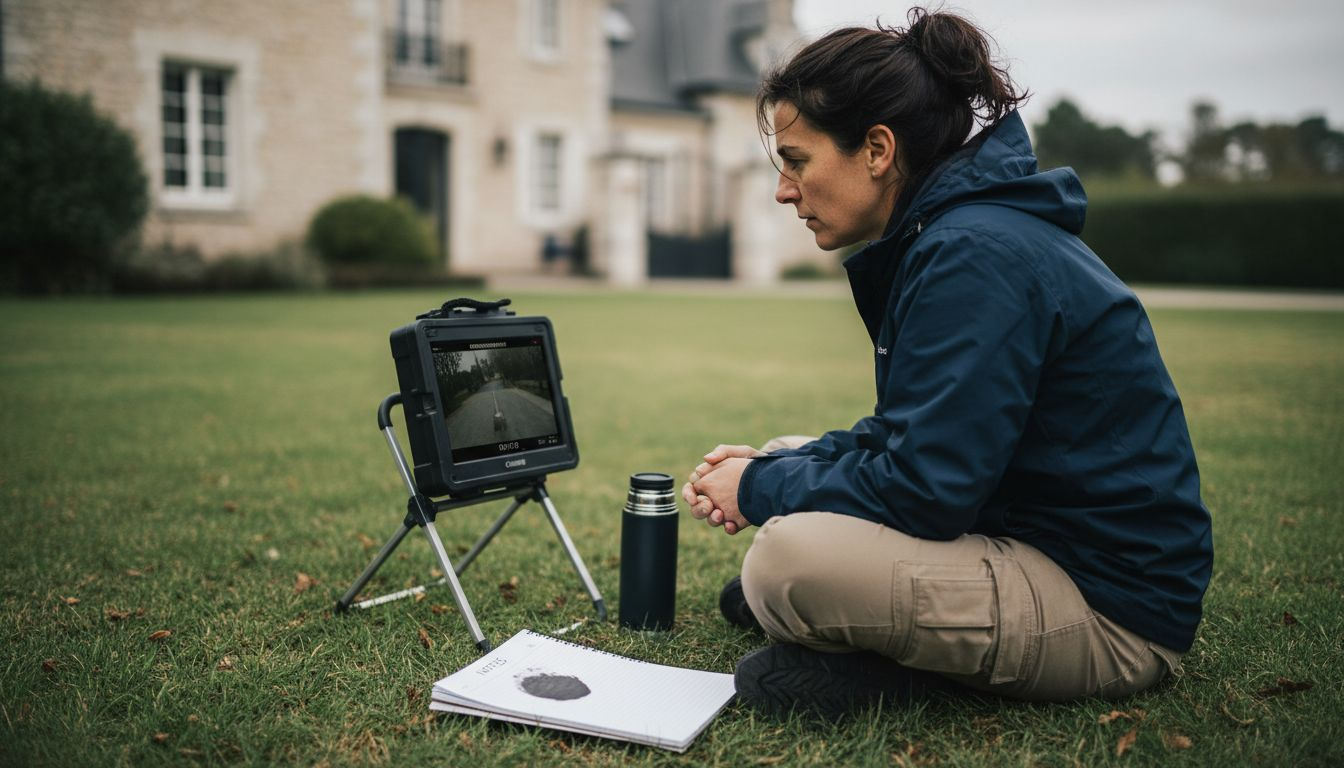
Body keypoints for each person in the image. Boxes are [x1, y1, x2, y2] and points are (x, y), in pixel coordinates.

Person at [682, 8, 1213, 720]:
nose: (785, 190)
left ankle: (895, 668)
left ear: (876, 149)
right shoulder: (954, 234)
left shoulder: (973, 252)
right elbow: (908, 436)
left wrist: (761, 492)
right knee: (785, 458)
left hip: (1111, 613)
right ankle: (836, 615)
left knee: (787, 561)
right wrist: (768, 472)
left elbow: (927, 489)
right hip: (1023, 535)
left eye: (798, 161)